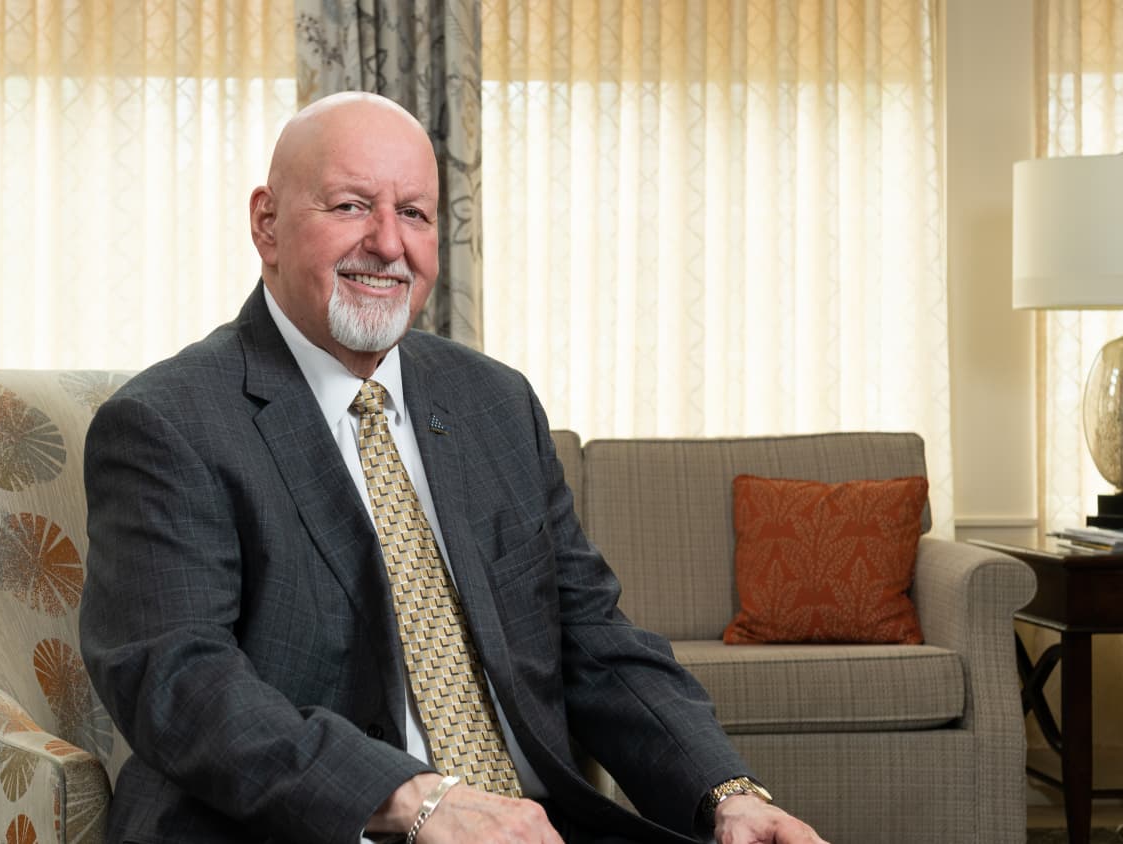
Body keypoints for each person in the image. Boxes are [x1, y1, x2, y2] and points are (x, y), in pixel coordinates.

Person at [79, 92, 829, 844]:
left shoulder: (494, 401)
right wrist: (411, 796)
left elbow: (592, 636)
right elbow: (182, 680)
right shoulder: (169, 422)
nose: (386, 243)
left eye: (414, 213)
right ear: (266, 224)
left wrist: (727, 793)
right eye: (350, 206)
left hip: (536, 827)